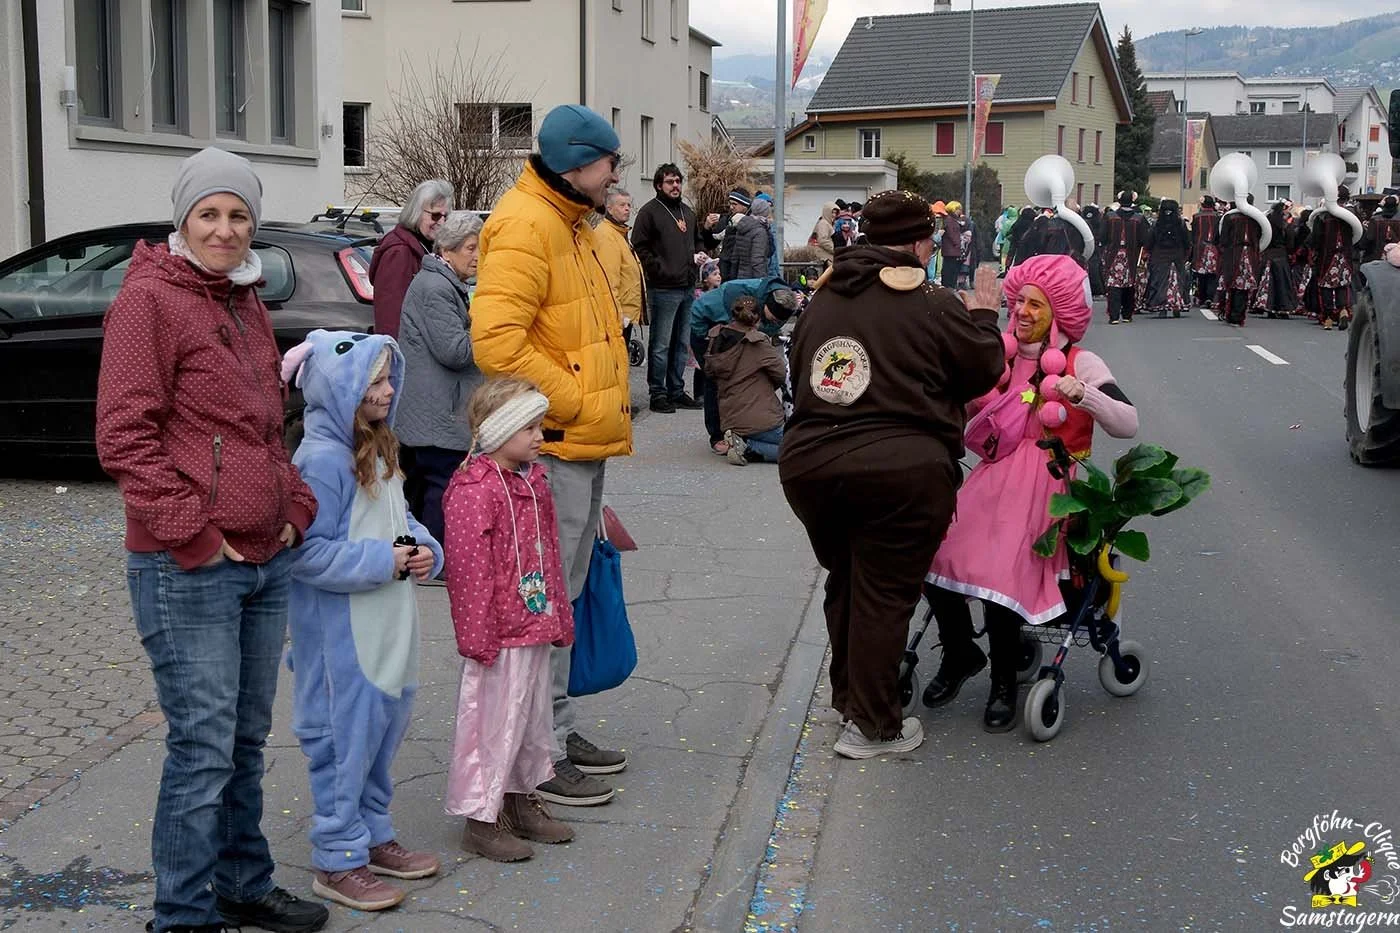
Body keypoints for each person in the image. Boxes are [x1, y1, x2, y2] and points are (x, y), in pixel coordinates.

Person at [95, 147, 328, 933]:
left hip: (266, 555)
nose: (226, 229)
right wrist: (195, 534)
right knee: (202, 747)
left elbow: (266, 424)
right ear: (183, 220)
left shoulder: (242, 297)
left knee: (243, 737)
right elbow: (125, 437)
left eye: (238, 215)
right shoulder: (149, 301)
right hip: (186, 564)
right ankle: (182, 914)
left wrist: (296, 502)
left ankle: (240, 881)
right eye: (210, 214)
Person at [780, 190, 1005, 759]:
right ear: (915, 243)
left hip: (810, 466)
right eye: (929, 241)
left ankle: (850, 700)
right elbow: (982, 369)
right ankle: (875, 727)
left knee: (848, 580)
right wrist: (982, 312)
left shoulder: (823, 299)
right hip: (899, 469)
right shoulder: (929, 299)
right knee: (883, 592)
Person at [470, 104, 631, 808]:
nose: (616, 175)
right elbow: (497, 344)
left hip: (578, 439)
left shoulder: (569, 223)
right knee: (548, 601)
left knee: (565, 597)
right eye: (609, 163)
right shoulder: (528, 223)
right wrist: (576, 403)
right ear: (577, 165)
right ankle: (541, 746)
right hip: (558, 441)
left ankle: (556, 733)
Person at [924, 254, 1139, 732]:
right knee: (930, 554)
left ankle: (1004, 683)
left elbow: (1129, 423)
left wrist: (1084, 395)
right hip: (991, 477)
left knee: (1002, 571)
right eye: (1016, 301)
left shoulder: (1082, 361)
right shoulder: (996, 354)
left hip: (1051, 485)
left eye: (1033, 304)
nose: (1020, 311)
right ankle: (960, 653)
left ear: (1058, 313)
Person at [284, 331, 444, 912]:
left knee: (380, 736)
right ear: (339, 387)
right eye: (373, 380)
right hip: (341, 637)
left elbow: (398, 520)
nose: (388, 388)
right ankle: (337, 856)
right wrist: (386, 561)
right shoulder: (321, 460)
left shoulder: (379, 447)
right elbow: (304, 554)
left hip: (388, 627)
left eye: (387, 378)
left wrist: (426, 549)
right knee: (341, 744)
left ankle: (372, 833)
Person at [443, 378, 577, 862]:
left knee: (530, 719)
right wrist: (477, 635)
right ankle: (481, 818)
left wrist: (558, 613)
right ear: (500, 430)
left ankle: (519, 799)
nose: (540, 436)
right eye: (530, 427)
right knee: (492, 724)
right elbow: (467, 568)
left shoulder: (531, 480)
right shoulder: (475, 490)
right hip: (498, 632)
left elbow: (547, 555)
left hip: (533, 620)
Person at [396, 211, 485, 563]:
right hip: (437, 410)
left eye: (480, 248)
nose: (477, 256)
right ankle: (436, 559)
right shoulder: (436, 288)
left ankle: (424, 554)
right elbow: (455, 351)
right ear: (446, 251)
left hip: (435, 406)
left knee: (428, 482)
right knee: (441, 484)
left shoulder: (443, 284)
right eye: (470, 248)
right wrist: (489, 327)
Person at [631, 163, 713, 413]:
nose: (675, 185)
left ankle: (676, 390)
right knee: (661, 344)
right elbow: (639, 245)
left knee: (681, 343)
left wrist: (700, 253)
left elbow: (697, 239)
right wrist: (659, 269)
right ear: (659, 185)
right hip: (663, 288)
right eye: (670, 182)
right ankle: (658, 393)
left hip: (687, 286)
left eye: (678, 181)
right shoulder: (650, 212)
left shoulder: (686, 212)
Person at [690, 277, 799, 454]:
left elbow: (767, 334)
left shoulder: (783, 304)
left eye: (778, 322)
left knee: (747, 377)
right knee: (715, 382)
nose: (774, 323)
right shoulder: (733, 293)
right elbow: (697, 309)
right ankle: (717, 436)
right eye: (771, 318)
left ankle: (740, 434)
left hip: (746, 335)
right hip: (711, 332)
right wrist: (708, 339)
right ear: (764, 306)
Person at [704, 295, 788, 466]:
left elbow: (710, 374)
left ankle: (742, 442)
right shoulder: (756, 341)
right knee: (801, 448)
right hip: (762, 418)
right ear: (757, 317)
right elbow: (780, 372)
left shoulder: (716, 337)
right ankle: (747, 447)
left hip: (730, 417)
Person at [369, 179, 453, 339]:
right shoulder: (399, 252)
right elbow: (391, 317)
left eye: (445, 216)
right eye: (435, 215)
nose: (441, 222)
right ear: (416, 212)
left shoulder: (426, 245)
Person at [595, 188, 646, 337]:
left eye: (629, 205)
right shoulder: (606, 235)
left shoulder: (620, 233)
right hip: (618, 315)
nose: (627, 209)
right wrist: (616, 314)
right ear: (609, 208)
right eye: (622, 205)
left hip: (626, 312)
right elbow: (609, 280)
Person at [1312, 186, 1359, 331]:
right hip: (1345, 255)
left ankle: (1328, 318)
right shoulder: (1351, 215)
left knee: (1325, 286)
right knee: (1342, 286)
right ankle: (1343, 310)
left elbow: (1316, 239)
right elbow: (1357, 235)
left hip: (1328, 256)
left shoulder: (1323, 216)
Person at [1099, 192, 1147, 324]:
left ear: (1119, 201)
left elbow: (1102, 237)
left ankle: (1114, 316)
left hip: (1113, 255)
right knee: (1130, 284)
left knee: (1114, 285)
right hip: (1132, 255)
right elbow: (1144, 239)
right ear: (1132, 201)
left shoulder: (1110, 217)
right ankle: (1127, 314)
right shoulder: (1139, 218)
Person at [1216, 196, 1263, 327]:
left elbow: (1223, 239)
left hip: (1233, 255)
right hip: (1250, 255)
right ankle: (1238, 315)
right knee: (1244, 288)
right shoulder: (1257, 218)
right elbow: (1261, 236)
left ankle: (1230, 314)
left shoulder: (1229, 217)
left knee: (1231, 285)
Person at [1142, 198, 1191, 319]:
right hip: (1177, 255)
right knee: (1178, 281)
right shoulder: (1180, 224)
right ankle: (1177, 304)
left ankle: (1161, 306)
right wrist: (1186, 255)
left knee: (1160, 281)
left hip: (1159, 256)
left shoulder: (1156, 224)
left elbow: (1149, 241)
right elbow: (1187, 241)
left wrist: (1147, 252)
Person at [1251, 201, 1296, 319]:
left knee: (1269, 283)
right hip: (1281, 255)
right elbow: (1290, 241)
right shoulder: (1285, 225)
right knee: (1283, 283)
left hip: (1268, 254)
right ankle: (1283, 308)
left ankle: (1269, 307)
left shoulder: (1267, 223)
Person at [718, 188, 772, 281]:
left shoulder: (741, 226)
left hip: (737, 276)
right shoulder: (759, 230)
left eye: (734, 204)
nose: (731, 207)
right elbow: (758, 259)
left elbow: (735, 256)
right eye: (730, 204)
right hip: (752, 278)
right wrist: (762, 281)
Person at [1190, 195, 1222, 308]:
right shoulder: (1218, 217)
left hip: (1200, 248)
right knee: (1213, 275)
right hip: (1214, 248)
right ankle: (1210, 297)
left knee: (1201, 275)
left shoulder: (1196, 217)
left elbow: (1193, 235)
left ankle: (1202, 298)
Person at [1359, 195, 1400, 265]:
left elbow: (1369, 238)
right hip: (1396, 258)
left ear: (1384, 205)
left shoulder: (1375, 219)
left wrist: (1361, 246)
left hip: (1376, 257)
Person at [1291, 208, 1317, 316]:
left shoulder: (1300, 229)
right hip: (1309, 260)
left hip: (1300, 259)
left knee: (1298, 282)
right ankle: (1304, 304)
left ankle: (1299, 304)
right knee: (1306, 281)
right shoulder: (1311, 230)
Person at [750, 197, 783, 278]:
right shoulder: (760, 227)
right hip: (763, 272)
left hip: (768, 269)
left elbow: (773, 253)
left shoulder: (768, 226)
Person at [939, 200, 964, 288]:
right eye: (959, 209)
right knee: (949, 269)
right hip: (951, 250)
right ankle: (948, 286)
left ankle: (949, 285)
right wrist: (957, 243)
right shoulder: (950, 220)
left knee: (951, 268)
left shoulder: (951, 219)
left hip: (951, 249)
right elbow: (952, 233)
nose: (960, 211)